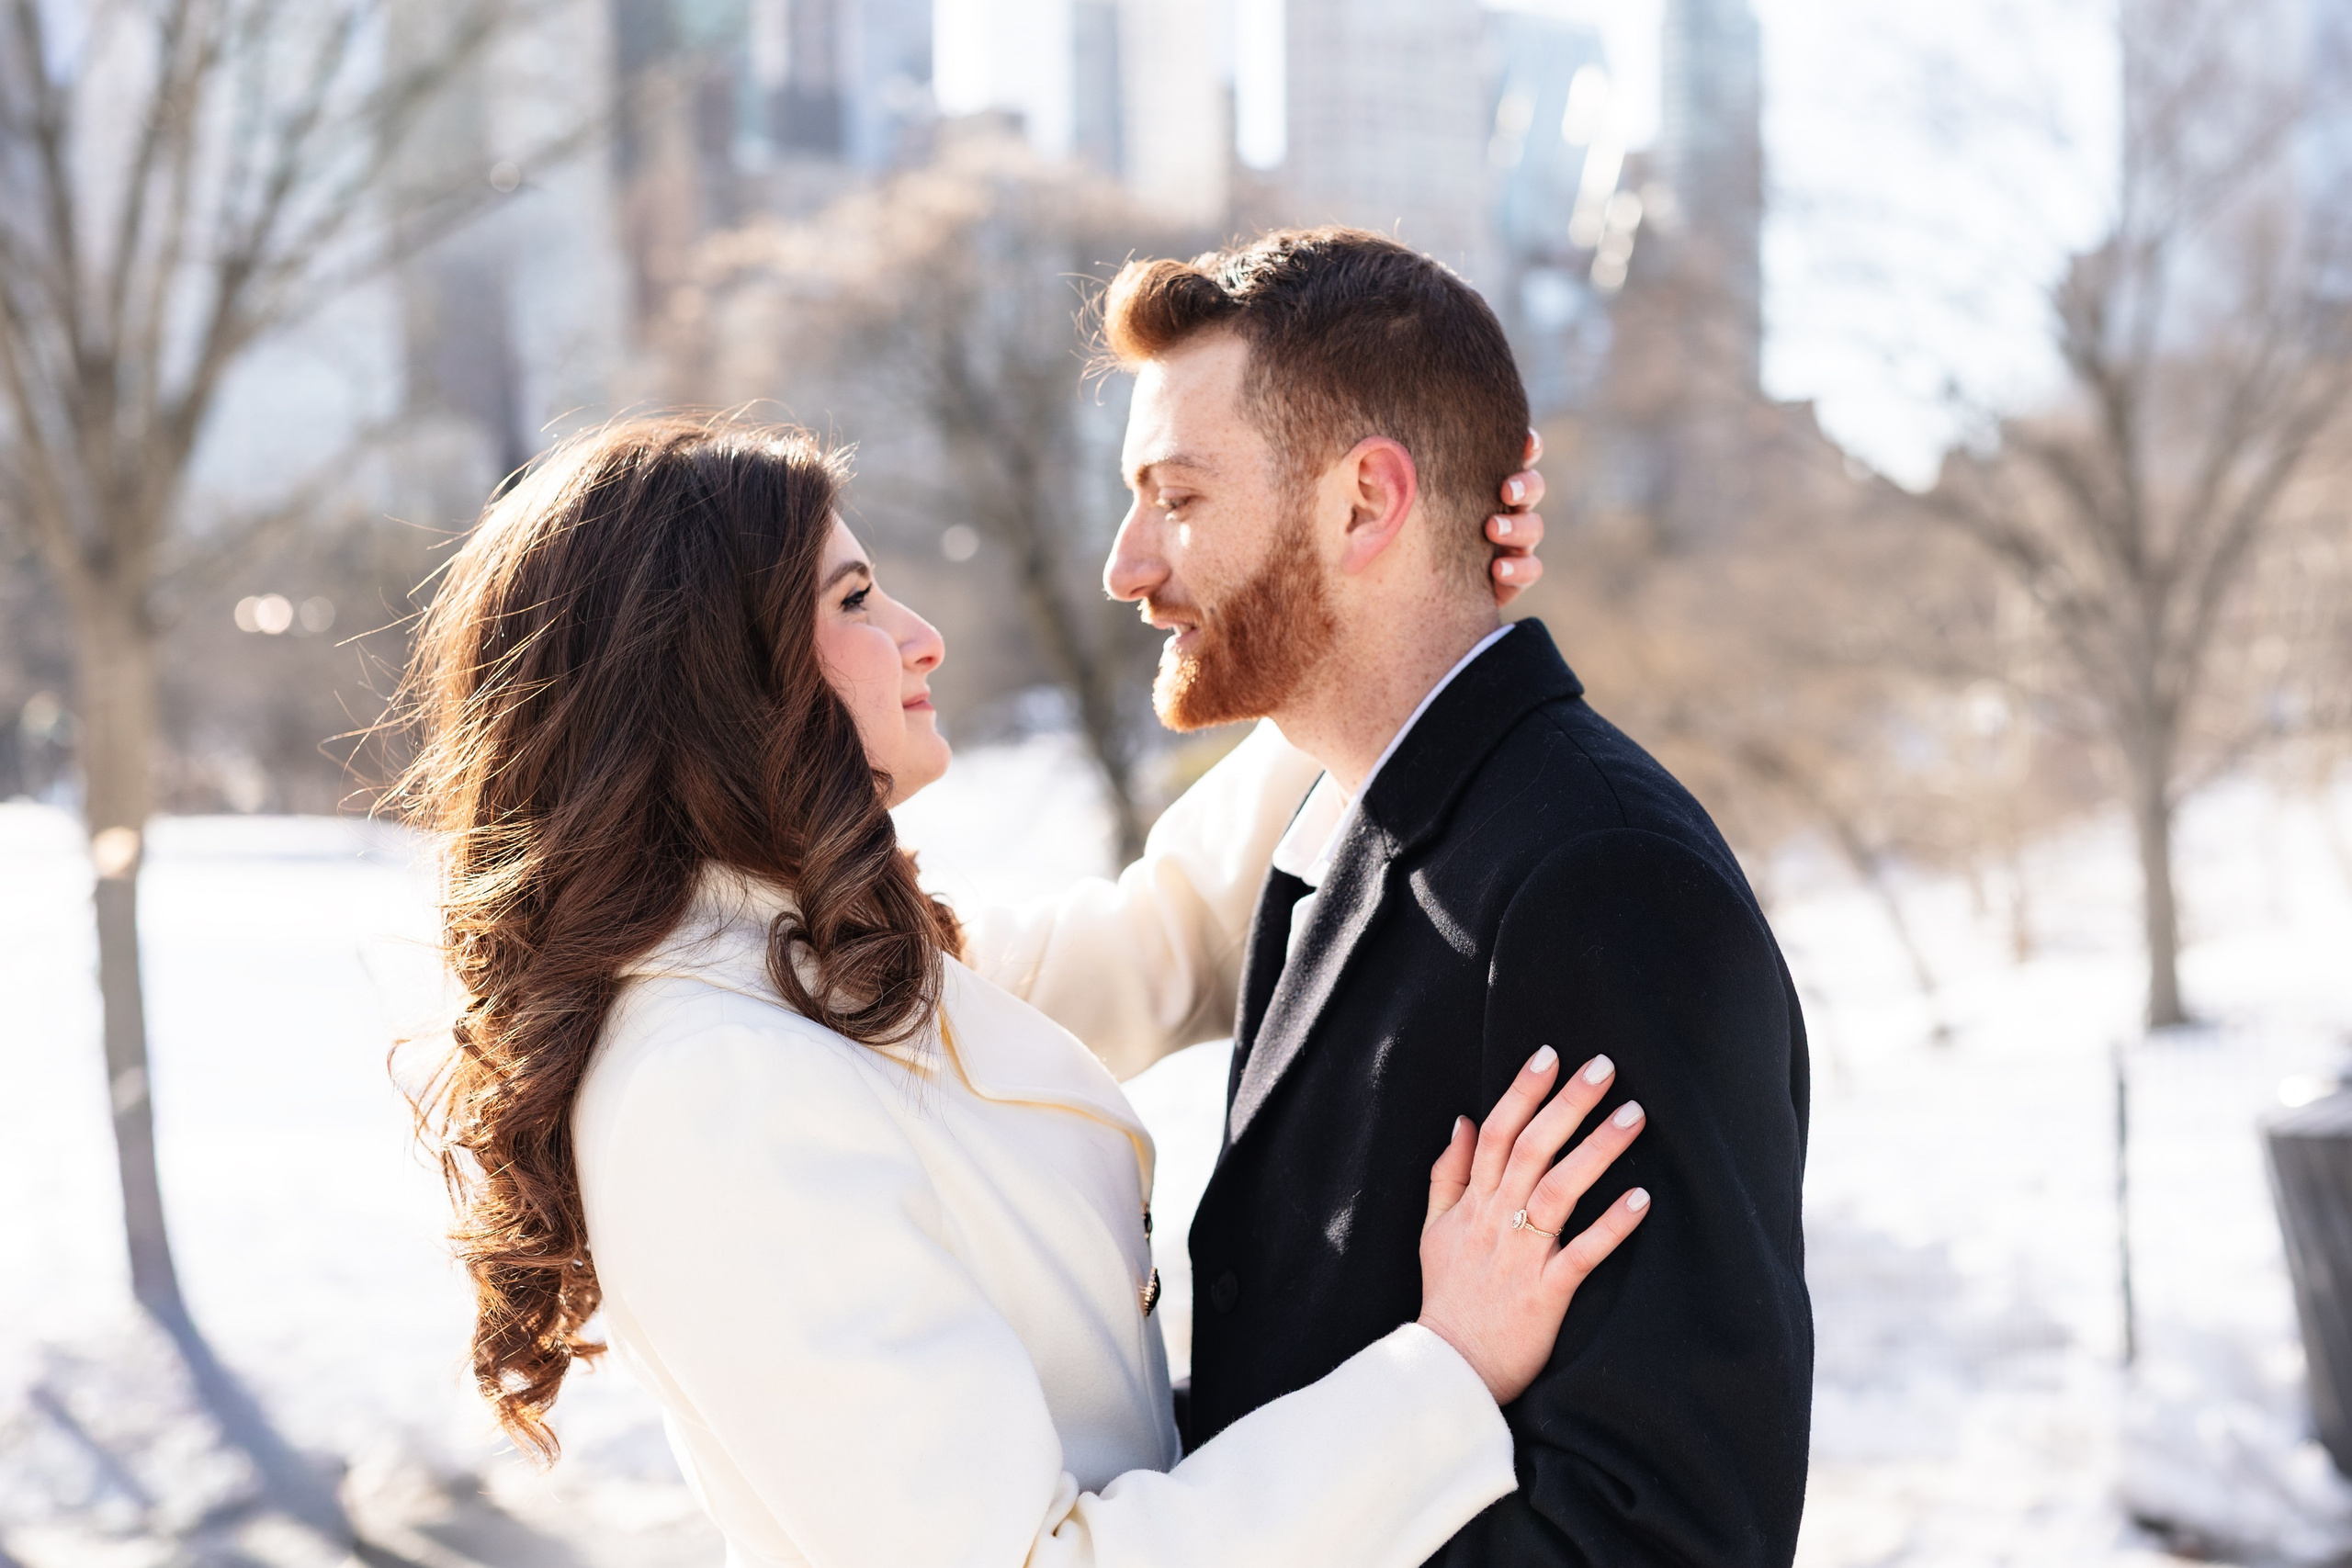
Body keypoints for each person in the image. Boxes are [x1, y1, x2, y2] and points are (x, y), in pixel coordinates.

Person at [395, 413, 1659, 1568]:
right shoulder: (718, 1085)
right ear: (719, 679)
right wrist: (1445, 1370)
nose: (919, 633)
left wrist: (1385, 604)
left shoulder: (813, 974)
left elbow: (1164, 940)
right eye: (853, 597)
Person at [1093, 228, 1815, 1565]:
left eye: (1178, 498)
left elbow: (1671, 1535)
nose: (1127, 565)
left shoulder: (1602, 884)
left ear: (1366, 501)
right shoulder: (1327, 836)